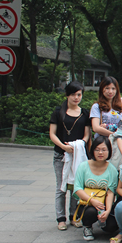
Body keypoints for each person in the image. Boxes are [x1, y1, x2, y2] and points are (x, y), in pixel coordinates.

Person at [49, 81, 91, 230]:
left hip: (78, 154)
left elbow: (87, 134)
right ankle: (61, 218)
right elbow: (52, 134)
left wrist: (80, 144)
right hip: (60, 154)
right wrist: (64, 147)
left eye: (79, 94)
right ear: (67, 95)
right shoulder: (58, 112)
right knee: (61, 187)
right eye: (73, 94)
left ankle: (74, 216)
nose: (76, 97)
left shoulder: (85, 113)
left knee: (76, 186)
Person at [72, 136, 119, 241]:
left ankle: (102, 220)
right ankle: (87, 227)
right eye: (97, 150)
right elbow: (77, 188)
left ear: (109, 151)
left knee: (112, 227)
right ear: (92, 150)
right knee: (90, 212)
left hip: (104, 204)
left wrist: (108, 210)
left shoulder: (112, 170)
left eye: (104, 150)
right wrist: (92, 201)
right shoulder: (83, 166)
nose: (100, 153)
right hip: (86, 203)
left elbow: (110, 192)